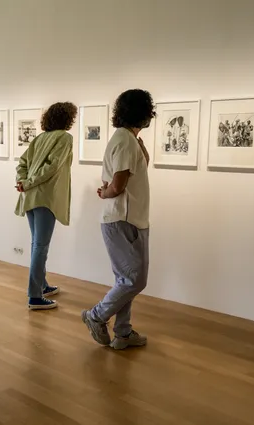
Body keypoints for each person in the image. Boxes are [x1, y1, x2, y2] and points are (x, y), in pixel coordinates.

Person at [82, 89, 155, 349]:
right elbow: (119, 184)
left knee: (126, 280)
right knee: (136, 280)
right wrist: (106, 192)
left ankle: (123, 333)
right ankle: (95, 315)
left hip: (130, 219)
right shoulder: (124, 140)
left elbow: (138, 167)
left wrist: (141, 145)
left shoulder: (128, 139)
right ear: (143, 112)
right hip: (124, 219)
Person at [15, 102, 78, 310]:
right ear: (68, 118)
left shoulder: (40, 138)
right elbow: (52, 168)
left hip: (31, 197)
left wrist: (23, 182)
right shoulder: (65, 138)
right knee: (40, 246)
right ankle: (34, 296)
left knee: (36, 244)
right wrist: (28, 182)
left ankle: (42, 285)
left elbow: (21, 163)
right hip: (45, 198)